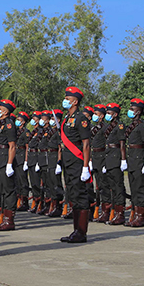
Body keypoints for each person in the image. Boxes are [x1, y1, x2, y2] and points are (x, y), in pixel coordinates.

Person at [58, 87, 93, 243]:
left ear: (75, 101)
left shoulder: (81, 119)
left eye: (68, 98)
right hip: (68, 162)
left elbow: (86, 144)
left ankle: (81, 232)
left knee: (80, 195)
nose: (65, 100)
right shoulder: (67, 118)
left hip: (78, 163)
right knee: (72, 194)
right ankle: (75, 231)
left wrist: (86, 166)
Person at [124, 98, 144, 227]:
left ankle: (141, 217)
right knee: (133, 187)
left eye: (132, 109)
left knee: (139, 188)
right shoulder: (131, 126)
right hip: (131, 159)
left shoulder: (143, 126)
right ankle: (134, 214)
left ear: (138, 111)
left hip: (139, 159)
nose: (130, 111)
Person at [0, 100, 19, 231]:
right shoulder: (0, 124)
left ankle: (10, 221)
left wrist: (9, 164)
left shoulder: (9, 125)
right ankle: (2, 218)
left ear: (6, 112)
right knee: (1, 190)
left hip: (5, 160)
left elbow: (12, 146)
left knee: (8, 191)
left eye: (0, 108)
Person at [102, 103, 127, 225]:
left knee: (118, 187)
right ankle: (113, 213)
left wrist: (123, 159)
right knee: (111, 186)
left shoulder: (120, 126)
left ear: (115, 114)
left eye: (109, 113)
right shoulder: (108, 126)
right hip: (109, 158)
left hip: (116, 157)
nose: (107, 115)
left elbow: (122, 143)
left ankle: (120, 214)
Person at [90, 105, 109, 222]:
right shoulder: (94, 128)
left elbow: (107, 145)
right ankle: (101, 210)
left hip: (102, 157)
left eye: (96, 114)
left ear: (102, 116)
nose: (94, 116)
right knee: (98, 187)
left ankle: (106, 211)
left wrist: (106, 161)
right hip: (95, 157)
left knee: (104, 186)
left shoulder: (105, 128)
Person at [26, 111, 43, 213]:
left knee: (37, 183)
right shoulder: (34, 131)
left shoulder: (41, 131)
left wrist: (38, 161)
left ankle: (40, 202)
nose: (33, 120)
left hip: (36, 157)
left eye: (35, 118)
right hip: (31, 158)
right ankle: (36, 202)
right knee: (33, 183)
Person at [15, 112, 32, 211]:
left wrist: (26, 160)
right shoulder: (17, 131)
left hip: (21, 157)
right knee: (17, 180)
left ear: (23, 121)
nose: (17, 120)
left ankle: (24, 202)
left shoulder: (26, 132)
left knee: (23, 181)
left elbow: (27, 147)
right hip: (16, 158)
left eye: (19, 119)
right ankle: (19, 201)